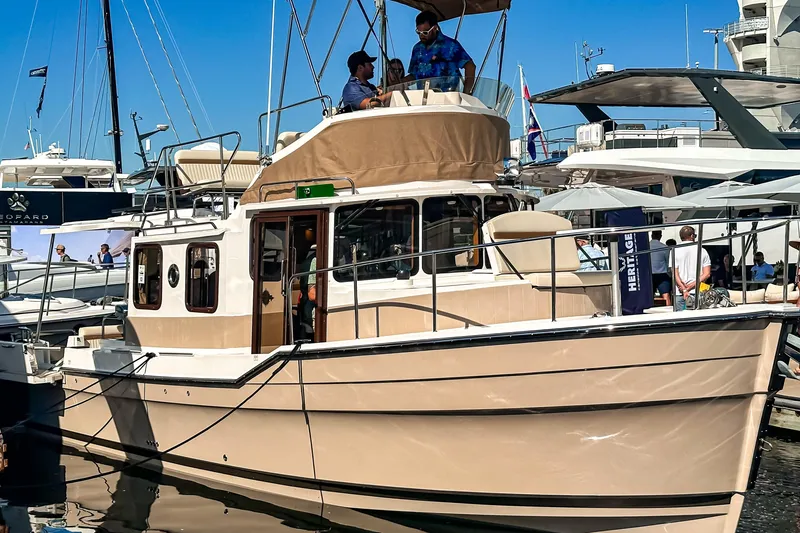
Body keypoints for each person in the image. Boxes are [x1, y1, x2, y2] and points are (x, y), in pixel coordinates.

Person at [405, 11, 476, 92]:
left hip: (447, 100)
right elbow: (414, 75)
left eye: (425, 32)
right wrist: (399, 82)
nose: (421, 36)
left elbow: (470, 66)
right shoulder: (417, 49)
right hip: (424, 100)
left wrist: (466, 93)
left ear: (435, 28)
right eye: (418, 32)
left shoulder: (450, 46)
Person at [671, 226, 711, 311]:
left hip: (680, 292)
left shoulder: (674, 250)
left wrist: (684, 289)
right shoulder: (702, 250)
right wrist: (690, 286)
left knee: (680, 321)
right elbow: (707, 274)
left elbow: (675, 273)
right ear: (692, 236)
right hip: (697, 291)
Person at [649, 230, 671, 306]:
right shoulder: (664, 247)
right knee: (666, 296)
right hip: (662, 274)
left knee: (648, 296)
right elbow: (668, 262)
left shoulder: (646, 246)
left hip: (649, 275)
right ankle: (669, 314)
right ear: (660, 236)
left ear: (651, 236)